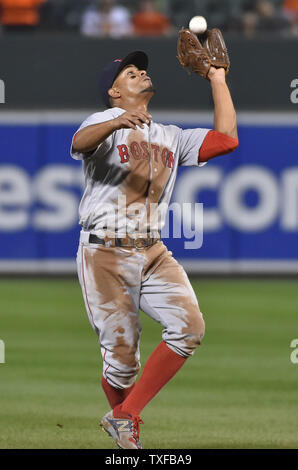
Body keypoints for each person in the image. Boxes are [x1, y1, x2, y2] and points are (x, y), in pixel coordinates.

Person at [70, 48, 238, 449]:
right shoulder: (103, 120)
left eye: (141, 69)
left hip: (153, 252)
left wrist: (217, 79)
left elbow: (227, 140)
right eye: (130, 73)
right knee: (122, 362)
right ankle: (126, 429)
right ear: (114, 92)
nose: (141, 73)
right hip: (104, 252)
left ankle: (126, 416)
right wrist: (115, 123)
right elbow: (79, 143)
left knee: (190, 327)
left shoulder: (171, 135)